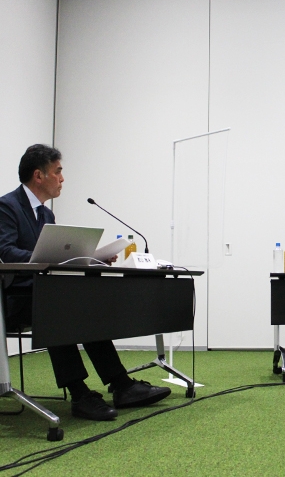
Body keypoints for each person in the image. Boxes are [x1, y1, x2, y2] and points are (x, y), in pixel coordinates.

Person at [0, 144, 172, 421]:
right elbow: (6, 251)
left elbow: (54, 252)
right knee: (60, 304)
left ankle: (121, 385)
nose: (62, 178)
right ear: (38, 175)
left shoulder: (46, 214)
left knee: (84, 301)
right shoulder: (7, 206)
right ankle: (79, 393)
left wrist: (90, 257)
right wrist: (51, 258)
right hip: (17, 298)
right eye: (58, 172)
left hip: (45, 291)